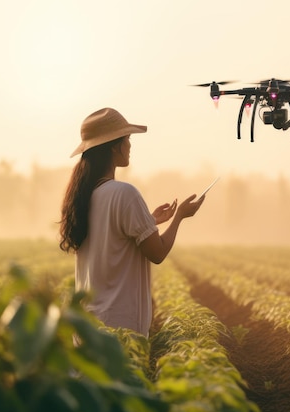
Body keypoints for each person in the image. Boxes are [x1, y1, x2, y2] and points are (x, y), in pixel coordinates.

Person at [59, 107, 205, 337]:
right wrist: (179, 217)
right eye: (127, 139)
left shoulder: (84, 195)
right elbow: (157, 253)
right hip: (119, 329)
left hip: (88, 327)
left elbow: (113, 233)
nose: (130, 145)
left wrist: (150, 221)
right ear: (115, 146)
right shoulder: (125, 193)